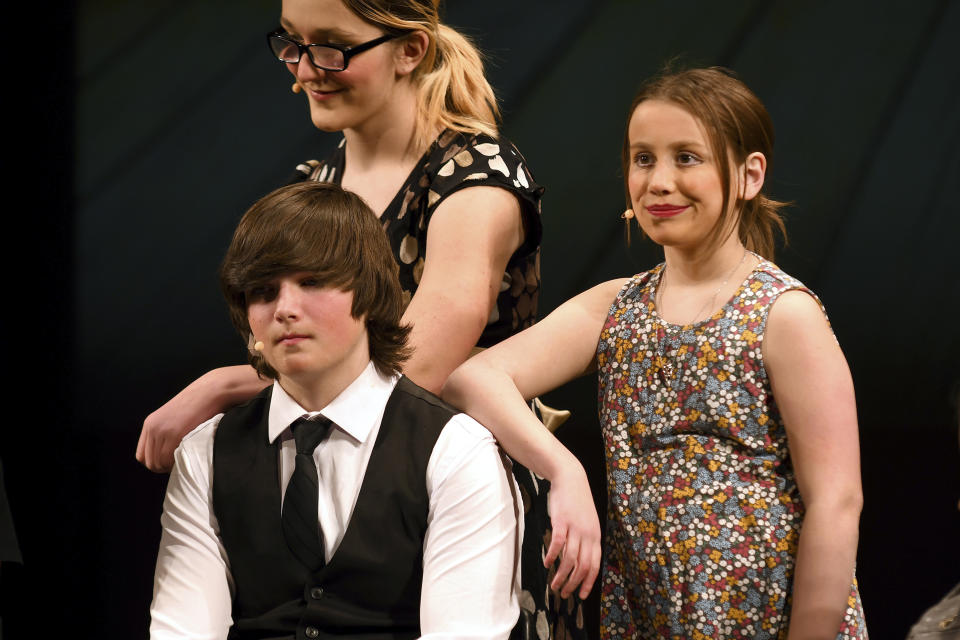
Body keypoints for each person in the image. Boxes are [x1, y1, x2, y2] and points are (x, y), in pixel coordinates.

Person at [137, 0, 588, 635]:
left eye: (332, 47)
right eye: (293, 44)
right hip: (331, 470)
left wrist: (227, 384)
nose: (304, 72)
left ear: (411, 50)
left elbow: (416, 365)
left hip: (454, 490)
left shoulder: (475, 175)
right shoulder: (318, 181)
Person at [443, 67, 868, 639]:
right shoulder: (615, 307)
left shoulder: (782, 313)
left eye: (687, 157)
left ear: (749, 175)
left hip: (765, 619)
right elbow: (471, 379)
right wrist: (563, 469)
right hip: (651, 616)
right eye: (643, 159)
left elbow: (836, 501)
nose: (659, 180)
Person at [150, 181, 521, 639]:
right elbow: (182, 630)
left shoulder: (455, 449)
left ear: (367, 293)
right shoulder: (204, 454)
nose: (285, 308)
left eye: (312, 282)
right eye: (263, 291)